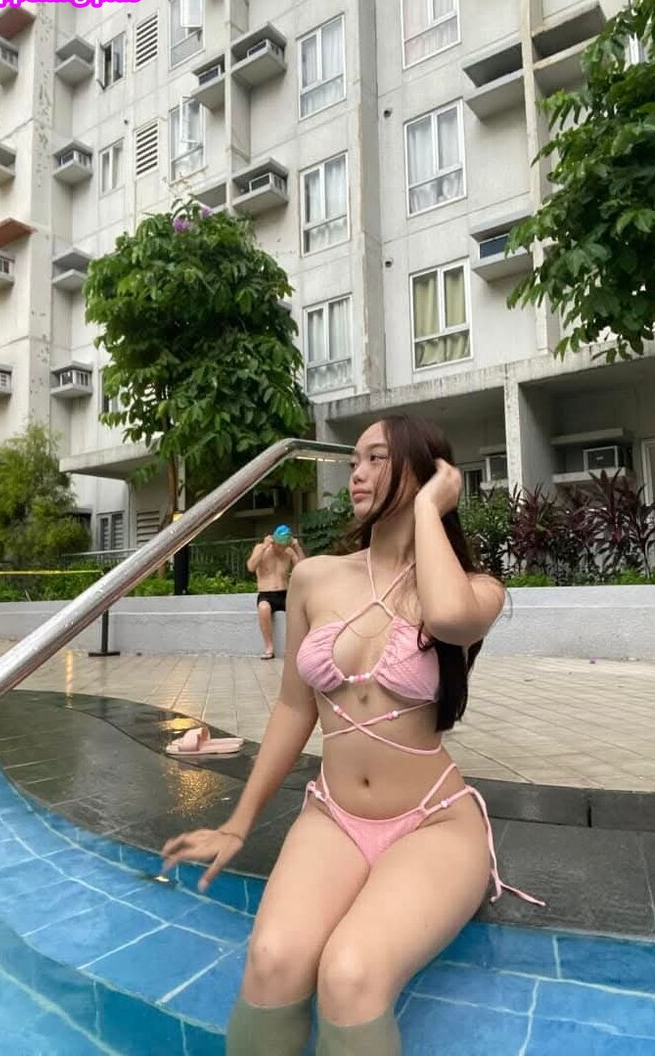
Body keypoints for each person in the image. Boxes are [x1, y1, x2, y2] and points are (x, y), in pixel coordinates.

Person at [162, 415, 544, 1056]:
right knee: (273, 958)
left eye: (376, 459)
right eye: (353, 462)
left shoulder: (476, 590)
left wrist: (428, 507)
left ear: (427, 473)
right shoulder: (315, 578)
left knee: (351, 974)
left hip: (433, 822)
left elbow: (448, 617)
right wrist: (238, 823)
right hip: (333, 816)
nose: (357, 475)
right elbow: (294, 709)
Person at [246, 527, 306, 659]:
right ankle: (269, 647)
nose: (281, 549)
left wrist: (297, 548)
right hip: (266, 594)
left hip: (285, 593)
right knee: (263, 608)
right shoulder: (261, 548)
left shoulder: (289, 551)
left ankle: (296, 647)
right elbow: (251, 567)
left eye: (284, 545)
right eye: (279, 545)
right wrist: (263, 547)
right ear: (274, 541)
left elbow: (303, 568)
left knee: (300, 611)